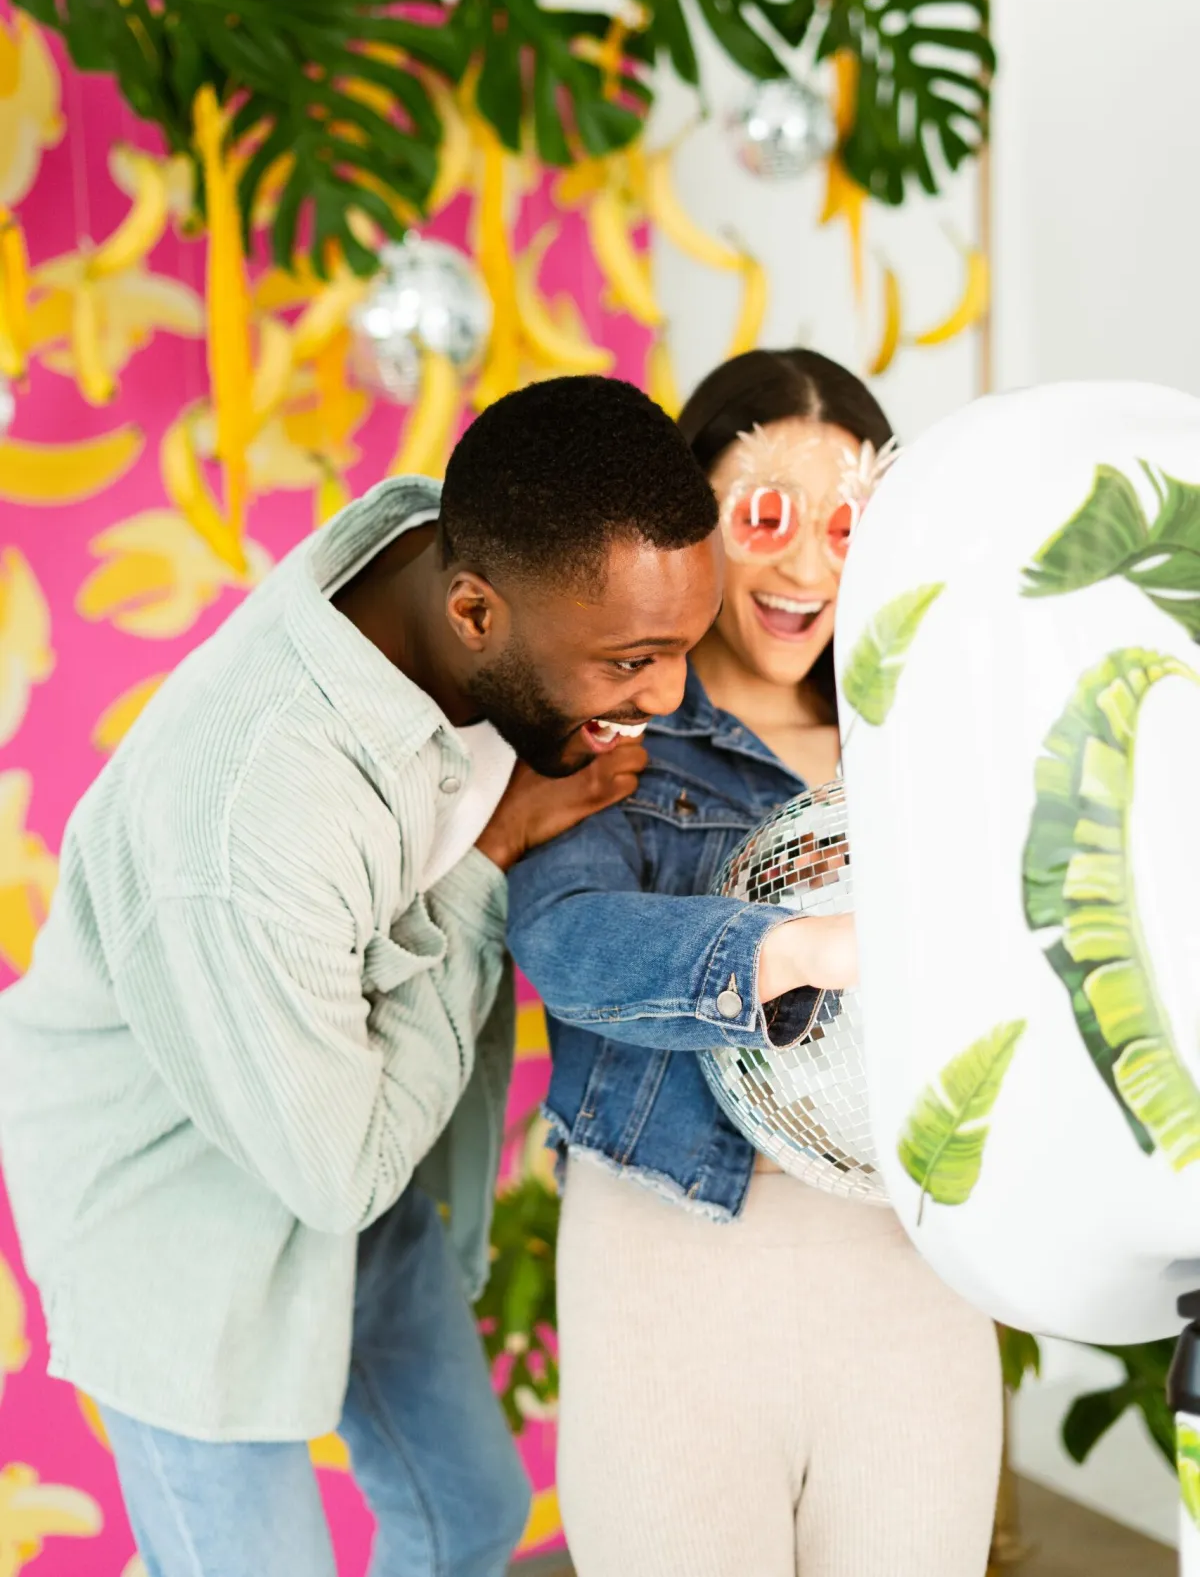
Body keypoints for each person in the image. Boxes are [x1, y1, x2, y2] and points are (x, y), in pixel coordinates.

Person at [0, 376, 723, 1577]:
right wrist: (493, 854)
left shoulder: (449, 553)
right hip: (178, 1206)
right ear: (475, 612)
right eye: (633, 659)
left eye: (680, 646)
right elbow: (340, 1171)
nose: (666, 694)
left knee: (469, 1509)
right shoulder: (255, 820)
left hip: (350, 1106)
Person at [507, 350, 1003, 1577]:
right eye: (768, 516)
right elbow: (565, 938)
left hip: (913, 1263)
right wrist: (790, 947)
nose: (809, 569)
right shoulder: (613, 732)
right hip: (672, 1253)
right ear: (693, 520)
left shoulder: (933, 735)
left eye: (847, 525)